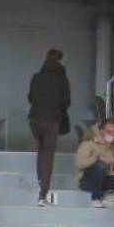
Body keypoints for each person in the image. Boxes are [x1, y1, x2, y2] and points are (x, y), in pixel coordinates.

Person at [27, 48, 71, 205]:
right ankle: (42, 194)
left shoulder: (36, 77)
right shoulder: (62, 80)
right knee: (48, 156)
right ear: (60, 61)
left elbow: (30, 97)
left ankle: (40, 179)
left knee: (41, 148)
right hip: (52, 120)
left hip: (34, 119)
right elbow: (67, 102)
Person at [73, 120, 114, 207]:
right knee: (101, 165)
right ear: (101, 131)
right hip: (86, 181)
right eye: (109, 132)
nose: (111, 134)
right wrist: (98, 158)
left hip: (104, 179)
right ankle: (95, 198)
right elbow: (79, 163)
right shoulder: (89, 144)